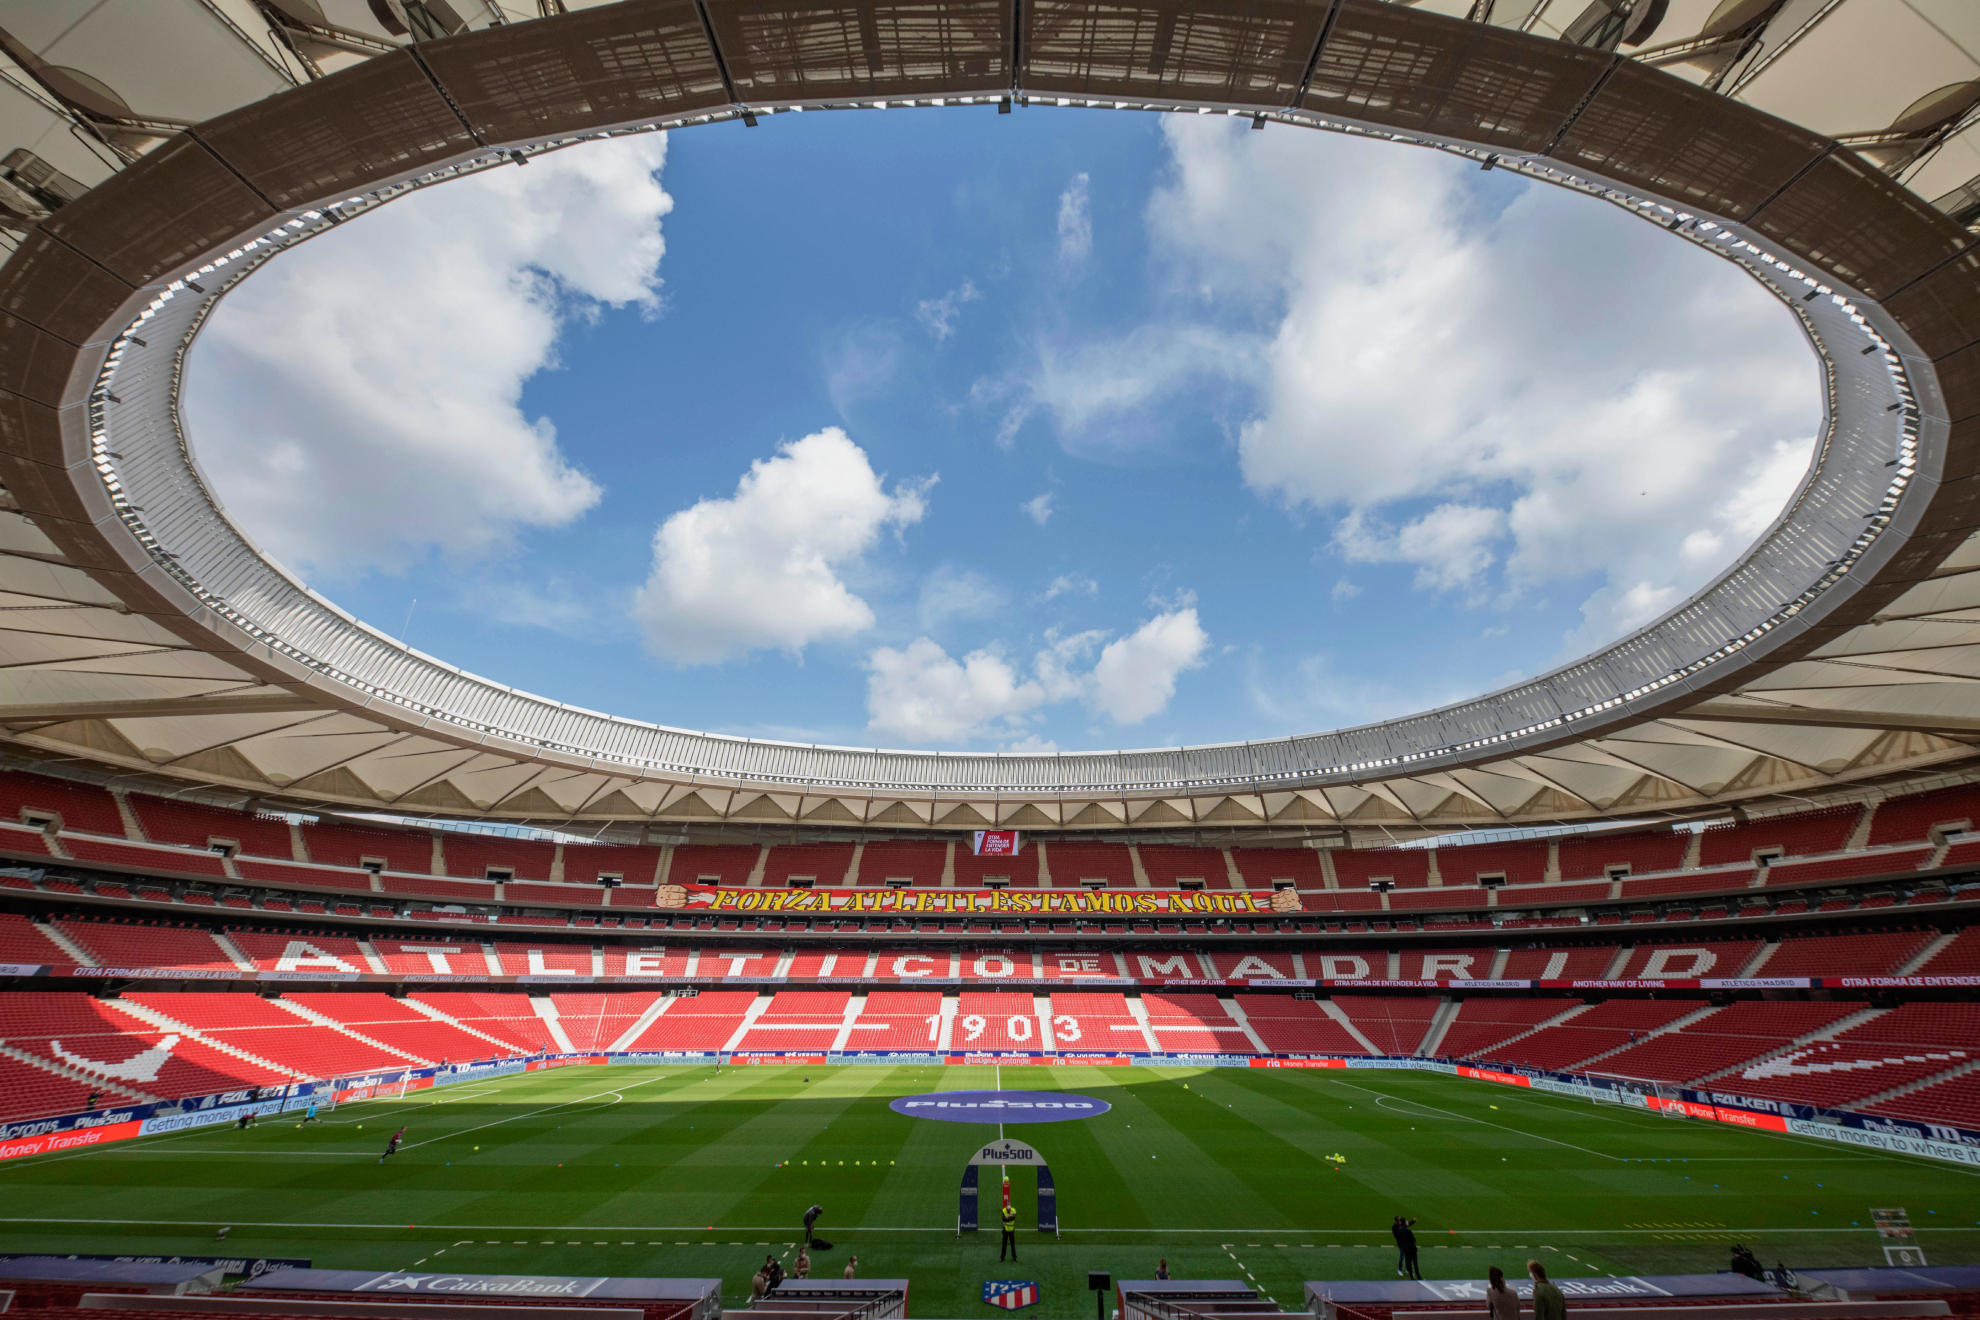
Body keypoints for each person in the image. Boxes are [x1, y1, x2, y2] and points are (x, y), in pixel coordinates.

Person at [1392, 1216, 1421, 1281]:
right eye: (1398, 1220)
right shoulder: (1395, 1227)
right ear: (1396, 1221)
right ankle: (1400, 1269)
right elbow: (1396, 1235)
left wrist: (1413, 1221)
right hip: (1401, 1244)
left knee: (1407, 1258)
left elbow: (1408, 1224)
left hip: (1405, 1244)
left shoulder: (1401, 1226)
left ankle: (1408, 1270)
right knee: (1402, 1257)